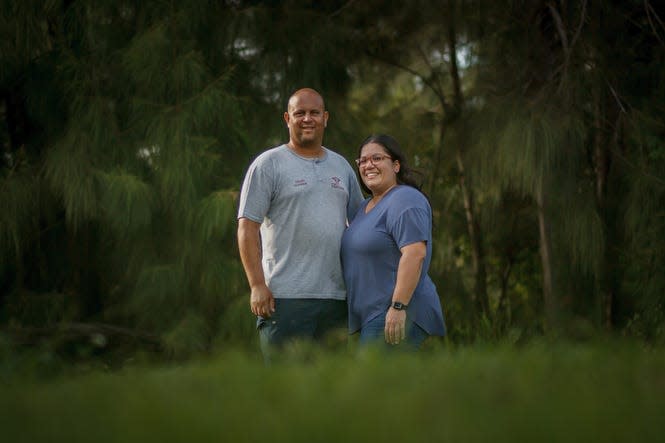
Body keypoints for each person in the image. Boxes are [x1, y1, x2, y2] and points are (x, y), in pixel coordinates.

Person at [237, 88, 364, 360]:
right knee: (286, 394)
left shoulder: (342, 167)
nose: (308, 119)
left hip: (336, 300)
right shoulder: (268, 164)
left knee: (330, 392)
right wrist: (257, 285)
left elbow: (362, 228)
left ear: (326, 118)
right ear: (287, 118)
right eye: (300, 113)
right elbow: (247, 228)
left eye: (314, 113)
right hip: (284, 300)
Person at [341, 134, 446, 350]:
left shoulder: (405, 198)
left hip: (398, 313)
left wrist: (398, 307)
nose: (368, 165)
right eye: (363, 161)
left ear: (396, 165)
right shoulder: (364, 208)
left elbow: (415, 253)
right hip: (375, 316)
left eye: (377, 158)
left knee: (371, 383)